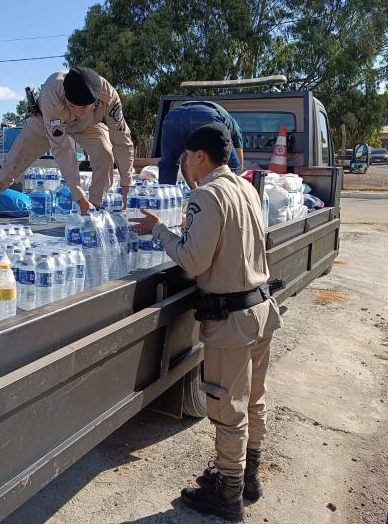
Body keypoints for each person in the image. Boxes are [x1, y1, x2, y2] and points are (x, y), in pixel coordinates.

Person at [131, 123, 281, 522]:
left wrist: (159, 231)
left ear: (199, 156)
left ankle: (228, 493)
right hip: (262, 309)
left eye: (183, 156)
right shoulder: (246, 188)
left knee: (228, 408)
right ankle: (249, 478)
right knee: (254, 400)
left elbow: (195, 261)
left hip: (231, 319)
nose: (181, 164)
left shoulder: (205, 194)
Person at [0, 67, 135, 228]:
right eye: (73, 106)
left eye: (83, 107)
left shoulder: (109, 96)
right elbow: (62, 150)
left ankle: (92, 210)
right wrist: (79, 197)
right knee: (12, 165)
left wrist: (127, 187)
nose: (77, 112)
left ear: (95, 100)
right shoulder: (52, 93)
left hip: (88, 126)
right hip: (47, 123)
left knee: (105, 154)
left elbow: (122, 140)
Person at [158, 101, 244, 184]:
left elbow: (185, 167)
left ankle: (165, 193)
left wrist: (196, 191)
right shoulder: (235, 129)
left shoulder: (225, 119)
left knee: (167, 165)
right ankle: (228, 195)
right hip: (206, 116)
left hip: (172, 117)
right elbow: (239, 165)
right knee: (233, 168)